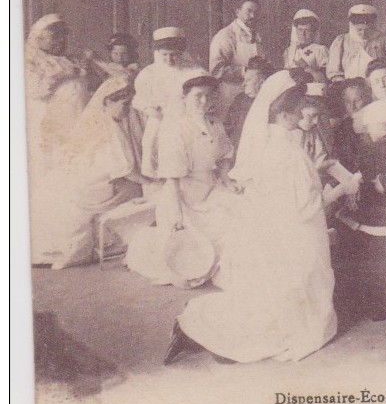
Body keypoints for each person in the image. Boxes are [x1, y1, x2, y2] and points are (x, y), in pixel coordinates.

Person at [164, 72, 347, 364]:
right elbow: (307, 205)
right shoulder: (286, 151)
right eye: (300, 109)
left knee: (298, 286)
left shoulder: (277, 144)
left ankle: (201, 325)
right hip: (297, 230)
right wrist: (343, 189)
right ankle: (196, 325)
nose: (305, 115)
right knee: (300, 289)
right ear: (284, 113)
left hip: (285, 229)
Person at [125, 74, 239, 286]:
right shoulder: (175, 128)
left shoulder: (215, 124)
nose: (204, 102)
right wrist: (176, 213)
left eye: (208, 96)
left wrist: (226, 179)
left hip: (211, 189)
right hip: (182, 197)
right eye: (198, 96)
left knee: (239, 211)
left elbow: (225, 154)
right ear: (185, 97)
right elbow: (171, 179)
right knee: (186, 256)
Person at [30, 76, 150, 268]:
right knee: (136, 190)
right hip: (95, 182)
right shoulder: (109, 128)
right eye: (123, 105)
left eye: (129, 105)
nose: (127, 110)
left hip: (90, 176)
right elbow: (125, 170)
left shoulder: (100, 120)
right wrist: (152, 183)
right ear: (107, 102)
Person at [333, 57, 386, 323]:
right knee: (365, 248)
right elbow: (359, 161)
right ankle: (361, 298)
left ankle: (385, 299)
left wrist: (381, 181)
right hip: (368, 198)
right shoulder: (361, 133)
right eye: (376, 82)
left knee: (383, 251)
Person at [25, 14, 91, 185]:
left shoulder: (69, 58)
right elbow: (35, 90)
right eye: (55, 37)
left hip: (77, 114)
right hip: (50, 117)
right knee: (52, 159)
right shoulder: (30, 61)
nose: (61, 41)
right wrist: (63, 75)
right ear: (39, 39)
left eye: (63, 36)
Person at [132, 27, 204, 180]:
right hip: (160, 116)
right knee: (152, 137)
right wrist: (150, 109)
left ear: (181, 53)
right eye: (165, 55)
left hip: (186, 116)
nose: (169, 59)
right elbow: (140, 99)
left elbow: (203, 92)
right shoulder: (149, 73)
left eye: (174, 55)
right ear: (158, 53)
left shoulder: (193, 71)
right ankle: (154, 176)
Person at [209, 0, 266, 119]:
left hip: (253, 93)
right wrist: (244, 72)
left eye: (256, 12)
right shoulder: (225, 35)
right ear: (237, 12)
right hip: (231, 94)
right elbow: (216, 70)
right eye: (248, 11)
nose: (252, 15)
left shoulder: (258, 36)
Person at [326, 4, 386, 82]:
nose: (363, 34)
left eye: (367, 30)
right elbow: (333, 71)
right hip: (350, 86)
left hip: (378, 85)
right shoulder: (342, 40)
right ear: (352, 26)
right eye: (359, 30)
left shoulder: (384, 40)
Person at [223, 56, 273, 150]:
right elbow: (226, 130)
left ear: (263, 82)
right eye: (244, 79)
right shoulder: (240, 100)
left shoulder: (274, 104)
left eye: (249, 80)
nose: (243, 84)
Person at [283, 9, 330, 82]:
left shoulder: (320, 50)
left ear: (313, 32)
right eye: (300, 30)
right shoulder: (289, 51)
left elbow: (325, 79)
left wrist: (307, 67)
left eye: (307, 30)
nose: (303, 34)